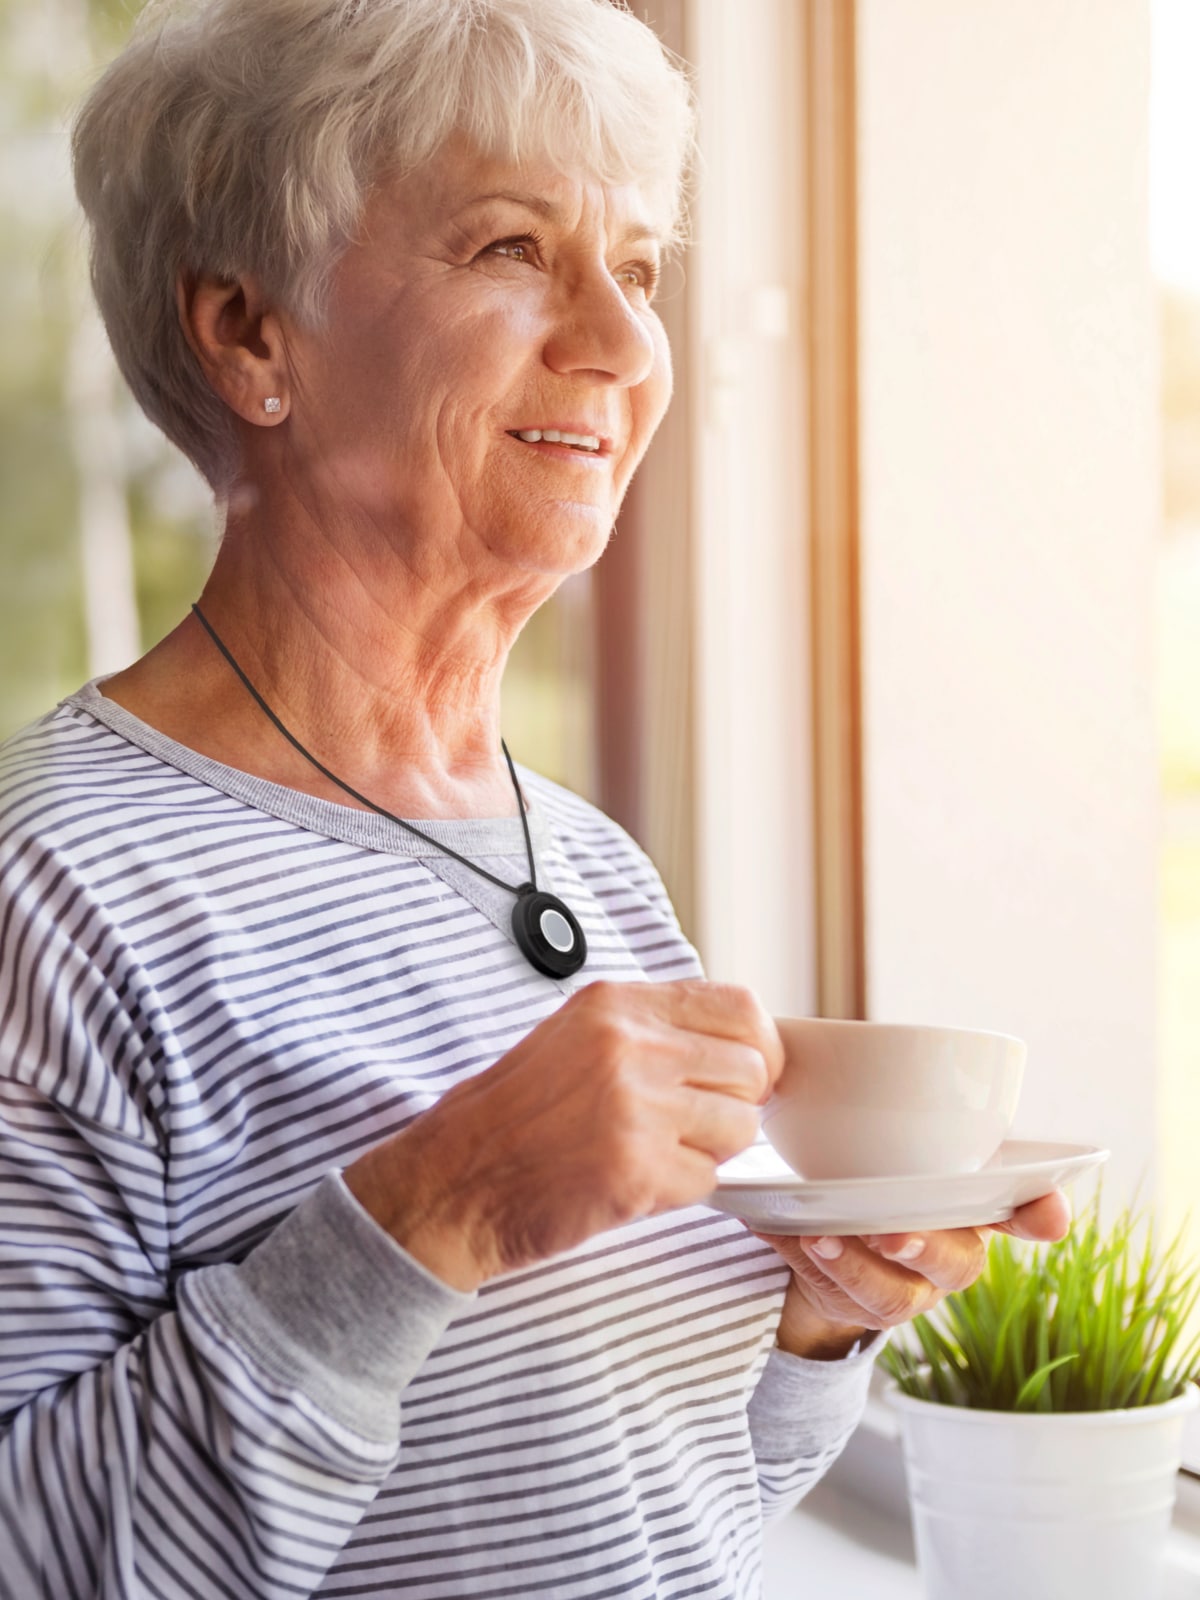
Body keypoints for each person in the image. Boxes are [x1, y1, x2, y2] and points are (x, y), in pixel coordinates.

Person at [0, 1, 1069, 1595]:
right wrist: (446, 1201)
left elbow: (647, 1516)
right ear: (248, 332)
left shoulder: (590, 865)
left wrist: (813, 1329)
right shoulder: (57, 888)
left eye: (636, 270)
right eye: (513, 247)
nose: (628, 347)